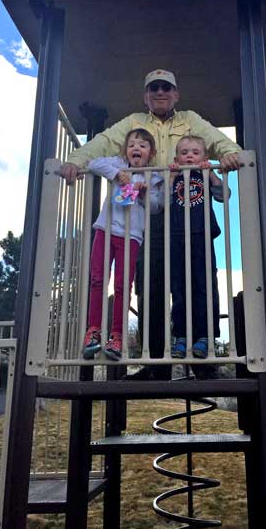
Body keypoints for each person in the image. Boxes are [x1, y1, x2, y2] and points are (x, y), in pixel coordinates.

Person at [60, 69, 241, 379]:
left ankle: (205, 360)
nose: (160, 92)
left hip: (191, 210)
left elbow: (219, 142)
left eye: (166, 88)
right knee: (150, 283)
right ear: (145, 95)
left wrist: (231, 155)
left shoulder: (190, 120)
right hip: (152, 212)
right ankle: (155, 362)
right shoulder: (134, 124)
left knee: (200, 282)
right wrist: (76, 161)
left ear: (176, 94)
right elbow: (102, 144)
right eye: (154, 88)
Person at [83, 128, 163, 361]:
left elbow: (157, 206)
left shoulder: (153, 175)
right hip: (105, 229)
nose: (136, 148)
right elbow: (94, 163)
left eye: (142, 145)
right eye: (132, 145)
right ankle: (93, 330)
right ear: (125, 151)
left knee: (122, 285)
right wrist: (118, 174)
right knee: (97, 279)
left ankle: (116, 335)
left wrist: (145, 193)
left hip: (131, 236)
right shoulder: (118, 163)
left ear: (151, 152)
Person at [169, 135, 229, 360]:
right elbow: (162, 201)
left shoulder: (204, 175)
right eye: (184, 153)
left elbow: (224, 196)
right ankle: (182, 336)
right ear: (177, 157)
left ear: (204, 157)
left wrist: (211, 173)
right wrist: (171, 175)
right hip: (177, 236)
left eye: (195, 152)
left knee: (204, 285)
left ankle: (205, 336)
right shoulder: (173, 177)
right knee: (179, 287)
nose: (189, 156)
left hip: (202, 236)